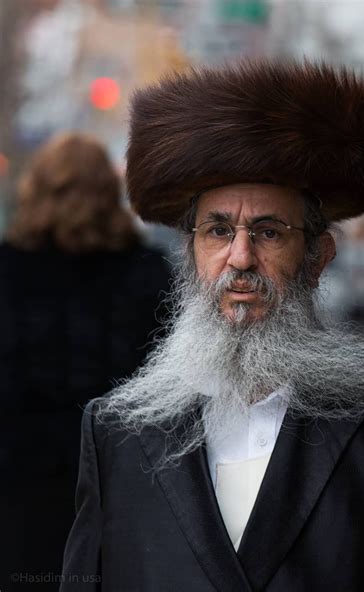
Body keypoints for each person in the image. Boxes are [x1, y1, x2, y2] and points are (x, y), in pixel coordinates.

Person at [61, 63, 364, 591]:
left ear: (318, 256)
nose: (240, 258)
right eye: (217, 230)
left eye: (269, 232)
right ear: (191, 253)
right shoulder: (117, 433)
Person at [0, 133, 171, 590]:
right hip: (122, 480)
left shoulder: (8, 269)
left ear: (34, 189)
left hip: (21, 481)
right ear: (108, 193)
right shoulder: (149, 272)